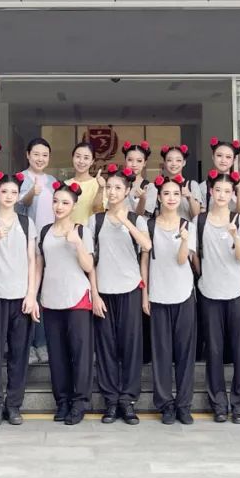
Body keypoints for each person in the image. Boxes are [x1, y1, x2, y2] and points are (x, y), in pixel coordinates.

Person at [88, 164, 152, 425]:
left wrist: (125, 220)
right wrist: (94, 294)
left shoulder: (137, 220)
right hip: (104, 291)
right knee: (106, 348)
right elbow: (90, 261)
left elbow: (147, 246)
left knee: (131, 347)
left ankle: (127, 400)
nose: (112, 192)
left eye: (118, 188)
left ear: (127, 191)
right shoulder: (96, 220)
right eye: (109, 188)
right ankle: (111, 401)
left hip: (130, 289)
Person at [0, 171, 39, 426]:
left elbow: (32, 260)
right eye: (5, 192)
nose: (9, 196)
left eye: (14, 192)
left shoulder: (26, 223)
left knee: (19, 353)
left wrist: (31, 294)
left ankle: (13, 405)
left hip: (21, 295)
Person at [196, 169, 240, 424]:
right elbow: (195, 255)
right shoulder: (199, 220)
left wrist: (235, 236)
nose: (221, 195)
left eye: (226, 191)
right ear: (211, 192)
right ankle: (218, 404)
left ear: (233, 195)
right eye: (217, 190)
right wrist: (204, 275)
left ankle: (239, 405)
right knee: (214, 350)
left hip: (237, 291)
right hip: (209, 292)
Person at [37, 181, 95, 425]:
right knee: (57, 354)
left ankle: (79, 402)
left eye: (65, 203)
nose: (59, 206)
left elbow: (89, 266)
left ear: (74, 206)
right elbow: (40, 265)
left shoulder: (82, 231)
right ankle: (62, 401)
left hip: (77, 297)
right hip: (51, 298)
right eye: (56, 201)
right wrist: (33, 295)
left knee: (80, 353)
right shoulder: (44, 232)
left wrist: (77, 243)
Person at [142, 174, 196, 425]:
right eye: (166, 194)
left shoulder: (188, 225)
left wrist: (184, 241)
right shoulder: (149, 225)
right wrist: (145, 293)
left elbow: (183, 260)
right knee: (161, 353)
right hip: (158, 295)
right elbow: (144, 261)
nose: (171, 198)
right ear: (159, 197)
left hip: (184, 294)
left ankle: (183, 404)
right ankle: (165, 404)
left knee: (185, 353)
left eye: (176, 194)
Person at [18, 137, 58, 364]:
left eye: (44, 155)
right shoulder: (20, 178)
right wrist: (32, 192)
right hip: (28, 244)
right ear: (27, 155)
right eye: (36, 154)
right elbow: (19, 205)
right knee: (28, 293)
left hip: (48, 244)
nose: (40, 158)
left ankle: (42, 343)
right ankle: (29, 346)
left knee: (43, 295)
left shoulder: (52, 181)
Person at [144, 144, 200, 220]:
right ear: (164, 162)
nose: (174, 164)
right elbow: (152, 215)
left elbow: (197, 217)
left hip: (187, 227)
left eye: (178, 160)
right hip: (163, 226)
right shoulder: (156, 186)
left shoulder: (192, 185)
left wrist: (189, 197)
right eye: (169, 160)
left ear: (184, 162)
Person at [199, 138, 240, 216]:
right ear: (213, 157)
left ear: (234, 160)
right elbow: (201, 217)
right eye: (219, 155)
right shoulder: (203, 186)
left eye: (228, 157)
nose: (223, 160)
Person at [67, 141, 104, 226]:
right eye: (78, 156)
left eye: (86, 158)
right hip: (68, 231)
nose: (81, 161)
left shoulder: (98, 184)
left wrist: (101, 189)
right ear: (72, 158)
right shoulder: (66, 185)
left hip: (89, 231)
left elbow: (98, 211)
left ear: (92, 161)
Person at [120, 140, 152, 215]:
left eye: (139, 161)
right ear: (125, 161)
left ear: (145, 163)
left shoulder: (150, 187)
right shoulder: (117, 184)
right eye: (130, 160)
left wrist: (142, 198)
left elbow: (143, 215)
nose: (134, 164)